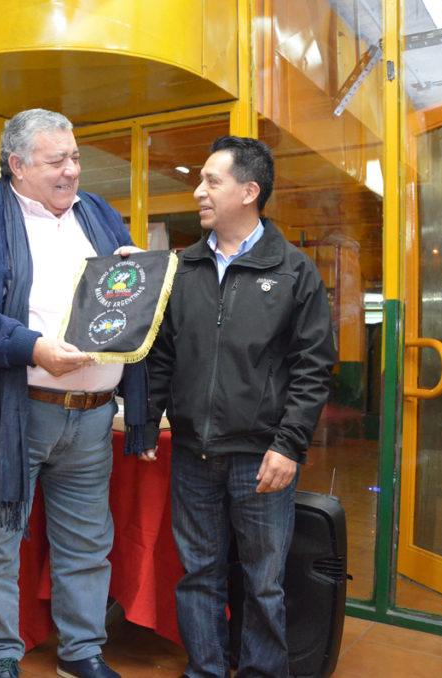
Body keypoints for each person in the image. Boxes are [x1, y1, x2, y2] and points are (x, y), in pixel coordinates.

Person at [0, 108, 146, 678]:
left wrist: (132, 276)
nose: (72, 170)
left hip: (94, 418)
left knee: (86, 542)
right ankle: (2, 655)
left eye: (75, 158)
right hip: (12, 414)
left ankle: (81, 653)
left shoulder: (98, 214)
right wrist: (33, 348)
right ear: (17, 165)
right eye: (58, 161)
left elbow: (126, 298)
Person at [141, 136, 335, 678]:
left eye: (211, 181)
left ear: (249, 192)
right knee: (197, 574)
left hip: (262, 459)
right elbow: (162, 354)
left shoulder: (294, 271)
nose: (198, 191)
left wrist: (289, 445)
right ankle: (204, 668)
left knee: (262, 581)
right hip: (192, 454)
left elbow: (313, 367)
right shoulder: (183, 268)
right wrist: (147, 420)